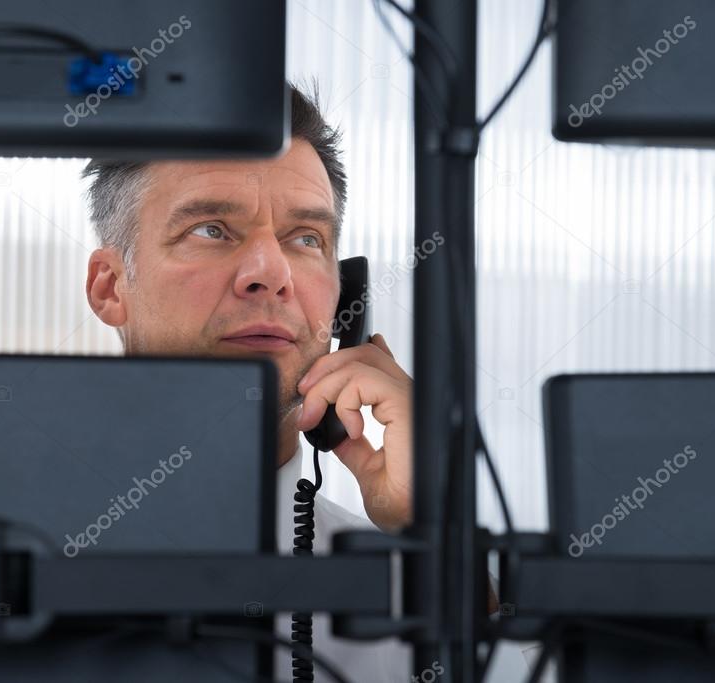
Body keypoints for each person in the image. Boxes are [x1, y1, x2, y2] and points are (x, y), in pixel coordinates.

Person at [83, 83, 487, 681]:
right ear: (112, 288)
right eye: (212, 229)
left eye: (306, 240)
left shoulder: (419, 597)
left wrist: (441, 539)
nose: (270, 275)